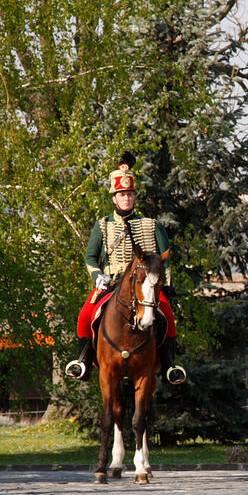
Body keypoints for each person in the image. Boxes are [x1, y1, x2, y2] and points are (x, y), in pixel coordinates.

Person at [65, 152, 186, 385]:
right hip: (112, 283)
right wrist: (97, 276)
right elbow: (90, 257)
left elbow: (166, 259)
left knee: (168, 316)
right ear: (114, 198)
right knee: (85, 315)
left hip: (145, 285)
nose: (126, 199)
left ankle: (170, 366)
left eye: (130, 194)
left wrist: (166, 284)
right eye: (122, 195)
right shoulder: (102, 225)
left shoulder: (152, 225)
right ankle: (82, 361)